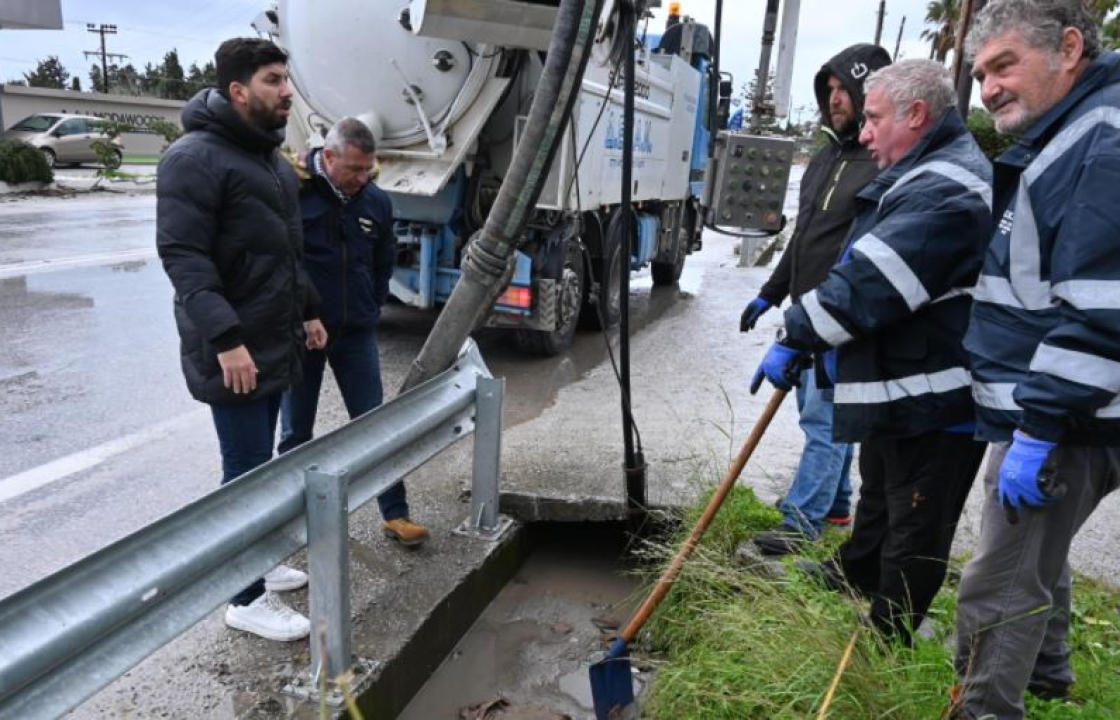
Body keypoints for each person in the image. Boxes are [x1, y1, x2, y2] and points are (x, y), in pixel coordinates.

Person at [752, 59, 992, 645]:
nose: (863, 132)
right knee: (881, 488)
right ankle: (858, 571)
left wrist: (797, 332)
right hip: (905, 382)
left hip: (938, 397)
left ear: (915, 115)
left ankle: (888, 634)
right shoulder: (921, 170)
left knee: (917, 517)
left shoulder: (948, 187)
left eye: (875, 118)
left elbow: (869, 284)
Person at [951, 2, 1120, 717]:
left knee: (999, 585)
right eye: (980, 73)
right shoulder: (1071, 133)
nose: (988, 89)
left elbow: (1101, 303)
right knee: (1035, 561)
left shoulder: (1102, 140)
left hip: (1068, 416)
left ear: (1071, 48)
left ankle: (986, 708)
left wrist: (1039, 425)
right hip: (1054, 405)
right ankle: (1049, 680)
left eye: (1004, 65)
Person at [156, 37, 327, 642]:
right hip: (236, 350)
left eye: (287, 80)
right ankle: (244, 598)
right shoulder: (193, 158)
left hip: (274, 340)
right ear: (237, 90)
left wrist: (307, 311)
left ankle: (258, 561)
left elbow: (286, 252)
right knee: (246, 472)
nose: (288, 92)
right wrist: (227, 339)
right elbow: (183, 256)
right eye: (275, 81)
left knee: (261, 469)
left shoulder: (268, 162)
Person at [747, 43, 892, 556]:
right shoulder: (828, 157)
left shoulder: (879, 165)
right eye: (828, 90)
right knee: (826, 410)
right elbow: (806, 234)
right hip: (806, 311)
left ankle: (801, 520)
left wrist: (824, 316)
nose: (835, 99)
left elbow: (862, 254)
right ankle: (834, 505)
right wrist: (770, 293)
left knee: (824, 419)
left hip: (840, 316)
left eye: (843, 90)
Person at [278, 117, 429, 547]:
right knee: (296, 433)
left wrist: (371, 303)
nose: (363, 179)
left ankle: (396, 514)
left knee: (375, 424)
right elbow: (284, 261)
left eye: (368, 169)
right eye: (354, 170)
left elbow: (384, 261)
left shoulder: (375, 201)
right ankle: (291, 524)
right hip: (304, 332)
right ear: (329, 157)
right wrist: (300, 315)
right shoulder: (297, 193)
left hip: (355, 331)